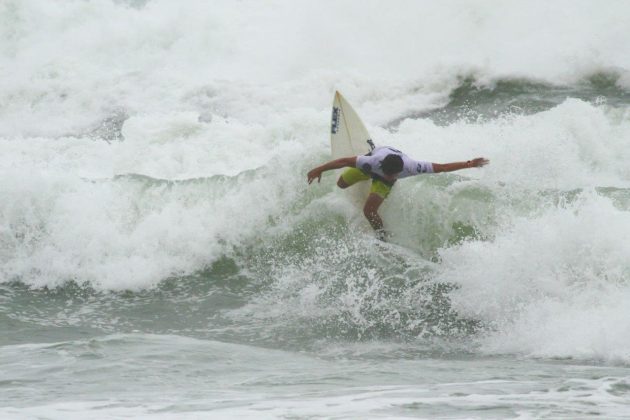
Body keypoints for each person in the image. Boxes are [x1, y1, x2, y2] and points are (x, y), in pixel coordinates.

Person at [307, 145, 489, 239]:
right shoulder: (370, 162)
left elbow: (442, 167)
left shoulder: (412, 167)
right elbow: (343, 161)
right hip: (369, 169)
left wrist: (469, 164)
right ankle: (368, 174)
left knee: (369, 211)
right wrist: (319, 169)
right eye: (386, 173)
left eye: (392, 175)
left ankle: (381, 236)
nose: (387, 176)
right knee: (341, 184)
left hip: (382, 180)